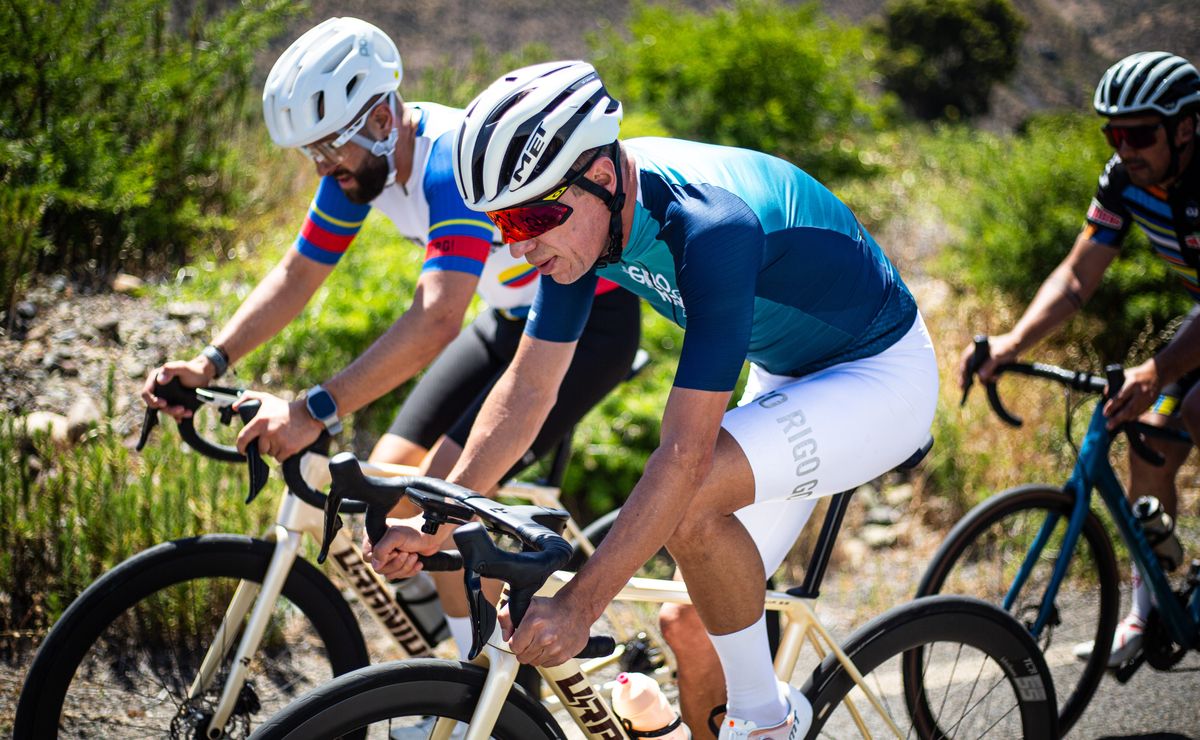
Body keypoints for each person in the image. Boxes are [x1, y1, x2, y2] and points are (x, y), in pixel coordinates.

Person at [366, 60, 938, 740]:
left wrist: (579, 606)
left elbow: (685, 452)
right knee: (689, 627)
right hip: (788, 374)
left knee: (692, 503)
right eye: (501, 224)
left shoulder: (709, 225)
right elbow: (527, 388)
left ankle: (765, 723)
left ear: (603, 177)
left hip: (879, 373)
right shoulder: (583, 225)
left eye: (531, 217)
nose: (518, 246)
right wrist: (437, 517)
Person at [140, 19, 640, 659]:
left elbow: (436, 319)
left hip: (585, 327)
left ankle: (479, 700)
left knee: (440, 511)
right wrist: (212, 363)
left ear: (380, 119)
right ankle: (451, 658)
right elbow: (298, 274)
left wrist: (312, 408)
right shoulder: (359, 172)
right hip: (507, 319)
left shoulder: (450, 165)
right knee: (398, 488)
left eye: (329, 149)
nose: (324, 169)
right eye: (313, 155)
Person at [960, 51, 1200, 667]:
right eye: (1113, 135)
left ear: (1185, 128)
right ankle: (1151, 604)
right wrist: (1012, 342)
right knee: (1148, 438)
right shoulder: (1124, 180)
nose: (1125, 148)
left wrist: (1159, 370)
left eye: (1139, 134)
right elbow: (1076, 278)